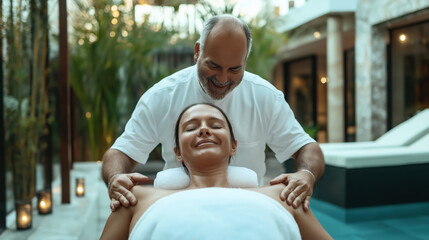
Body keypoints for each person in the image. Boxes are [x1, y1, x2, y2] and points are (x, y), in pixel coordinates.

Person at [102, 14, 325, 212]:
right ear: (197, 51)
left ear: (245, 62)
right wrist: (115, 179)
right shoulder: (162, 97)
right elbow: (121, 153)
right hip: (180, 209)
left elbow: (307, 147)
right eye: (214, 66)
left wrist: (306, 175)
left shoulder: (265, 98)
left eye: (234, 69)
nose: (222, 78)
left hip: (248, 209)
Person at [100, 103, 332, 240]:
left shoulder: (284, 194)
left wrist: (306, 174)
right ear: (177, 152)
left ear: (233, 146)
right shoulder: (136, 198)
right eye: (191, 128)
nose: (203, 130)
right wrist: (114, 179)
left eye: (215, 125)